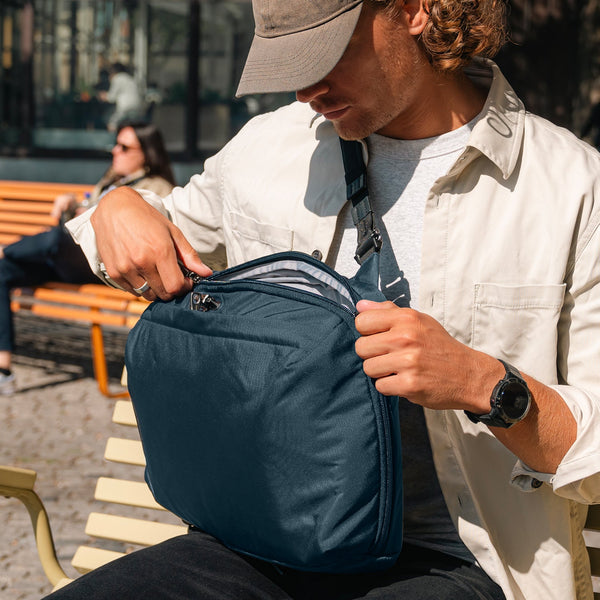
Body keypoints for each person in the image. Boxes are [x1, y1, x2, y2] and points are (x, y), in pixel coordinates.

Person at [50, 0, 600, 599]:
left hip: (458, 563)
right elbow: (141, 234)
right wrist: (117, 207)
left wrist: (479, 382)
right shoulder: (268, 149)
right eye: (288, 62)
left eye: (326, 52)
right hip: (256, 540)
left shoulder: (569, 189)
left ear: (415, 10)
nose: (306, 89)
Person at [0, 121, 175, 394]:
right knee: (4, 270)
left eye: (124, 147)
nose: (115, 151)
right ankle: (3, 369)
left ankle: (5, 248)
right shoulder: (112, 179)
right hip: (72, 260)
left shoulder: (158, 187)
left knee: (55, 239)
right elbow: (89, 210)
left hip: (104, 266)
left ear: (147, 153)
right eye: (115, 144)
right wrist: (74, 203)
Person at [99, 62, 146, 131]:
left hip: (124, 107)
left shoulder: (117, 78)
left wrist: (103, 96)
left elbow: (111, 98)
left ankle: (113, 136)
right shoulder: (129, 78)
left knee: (111, 123)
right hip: (136, 107)